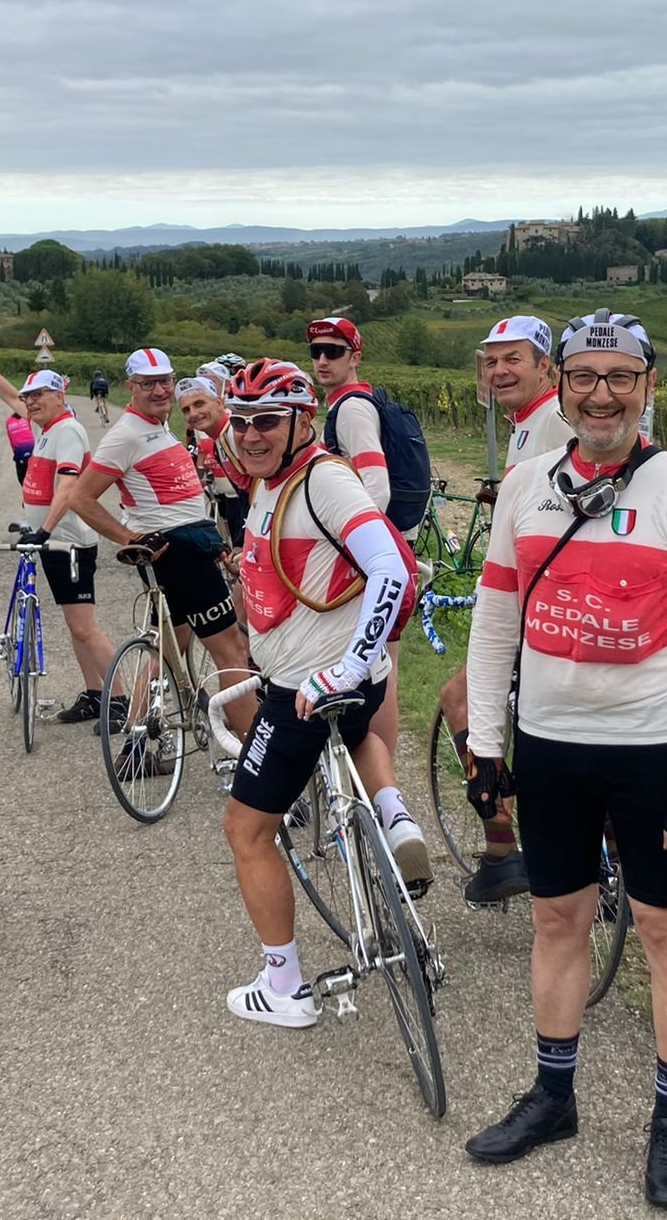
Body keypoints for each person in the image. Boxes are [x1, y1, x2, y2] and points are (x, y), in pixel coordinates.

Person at [461, 308, 667, 1210]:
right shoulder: (526, 485)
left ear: (649, 385)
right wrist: (487, 744)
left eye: (621, 377)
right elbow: (496, 616)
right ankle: (553, 1096)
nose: (601, 394)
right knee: (556, 921)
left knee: (665, 933)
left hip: (651, 748)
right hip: (550, 744)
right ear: (563, 384)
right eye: (584, 376)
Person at [217, 359, 415, 1028]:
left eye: (266, 421)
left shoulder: (323, 481)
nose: (250, 434)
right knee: (357, 745)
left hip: (309, 691)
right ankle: (391, 818)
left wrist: (351, 664)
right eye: (240, 421)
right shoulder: (273, 479)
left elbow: (390, 564)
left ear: (303, 420)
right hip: (333, 683)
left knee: (246, 830)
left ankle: (286, 990)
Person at [59, 347, 255, 746]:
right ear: (131, 387)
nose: (160, 390)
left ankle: (135, 742)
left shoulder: (158, 425)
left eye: (165, 381)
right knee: (232, 652)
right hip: (177, 557)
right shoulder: (127, 435)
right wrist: (130, 538)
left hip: (185, 549)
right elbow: (80, 498)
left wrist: (209, 540)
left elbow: (178, 503)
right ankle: (260, 762)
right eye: (147, 384)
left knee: (168, 648)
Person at [436, 315, 567, 903]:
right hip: (528, 598)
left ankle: (502, 849)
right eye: (490, 361)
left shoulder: (556, 416)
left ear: (547, 367)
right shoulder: (526, 423)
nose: (498, 370)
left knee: (462, 700)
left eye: (512, 358)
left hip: (538, 603)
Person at [307, 315, 430, 893]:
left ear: (355, 355)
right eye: (316, 351)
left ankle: (380, 793)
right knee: (386, 672)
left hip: (368, 562)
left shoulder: (350, 409)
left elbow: (374, 488)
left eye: (334, 351)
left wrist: (341, 532)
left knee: (380, 676)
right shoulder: (354, 402)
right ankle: (385, 799)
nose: (323, 360)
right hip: (387, 551)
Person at [0, 328, 120, 723]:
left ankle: (120, 700)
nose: (30, 402)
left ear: (60, 397)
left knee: (86, 628)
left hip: (68, 542)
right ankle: (94, 694)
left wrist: (46, 530)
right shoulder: (45, 427)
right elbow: (8, 395)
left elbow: (69, 487)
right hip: (53, 542)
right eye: (28, 397)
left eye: (38, 396)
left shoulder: (67, 430)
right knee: (75, 627)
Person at [178, 374, 249, 550]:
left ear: (219, 403)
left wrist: (242, 544)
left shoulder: (233, 435)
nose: (193, 413)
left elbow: (253, 494)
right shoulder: (220, 438)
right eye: (186, 410)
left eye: (199, 404)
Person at [5, 409, 36, 493]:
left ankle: (26, 496)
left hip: (20, 456)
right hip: (34, 453)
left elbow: (12, 442)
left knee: (23, 480)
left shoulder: (9, 421)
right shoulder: (30, 418)